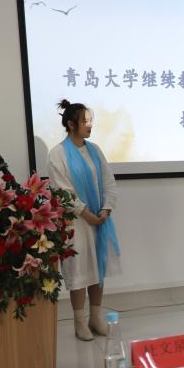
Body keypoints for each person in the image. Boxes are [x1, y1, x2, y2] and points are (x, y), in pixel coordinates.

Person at [47, 99, 121, 341]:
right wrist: (85, 213)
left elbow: (108, 181)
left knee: (98, 268)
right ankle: (80, 322)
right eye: (85, 121)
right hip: (75, 223)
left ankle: (95, 318)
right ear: (71, 124)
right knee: (79, 270)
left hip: (99, 219)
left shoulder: (95, 150)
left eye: (90, 121)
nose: (90, 125)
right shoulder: (57, 153)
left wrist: (106, 209)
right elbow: (62, 190)